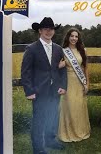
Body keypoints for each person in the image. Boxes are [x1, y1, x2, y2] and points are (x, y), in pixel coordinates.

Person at [21, 17, 67, 154]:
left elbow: (62, 70)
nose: (49, 31)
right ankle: (39, 148)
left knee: (53, 116)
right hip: (39, 91)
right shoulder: (32, 49)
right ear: (40, 31)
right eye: (45, 29)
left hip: (55, 90)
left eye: (51, 29)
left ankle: (51, 140)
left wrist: (63, 86)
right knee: (39, 120)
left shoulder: (58, 49)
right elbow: (26, 72)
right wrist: (29, 91)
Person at [57, 27, 91, 142]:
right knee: (69, 107)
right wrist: (61, 64)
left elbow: (86, 68)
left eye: (76, 36)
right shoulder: (63, 51)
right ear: (68, 37)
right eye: (72, 36)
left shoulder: (82, 50)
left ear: (78, 38)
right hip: (68, 82)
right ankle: (68, 133)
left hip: (80, 83)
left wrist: (87, 84)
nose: (74, 38)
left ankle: (80, 131)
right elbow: (56, 67)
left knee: (79, 107)